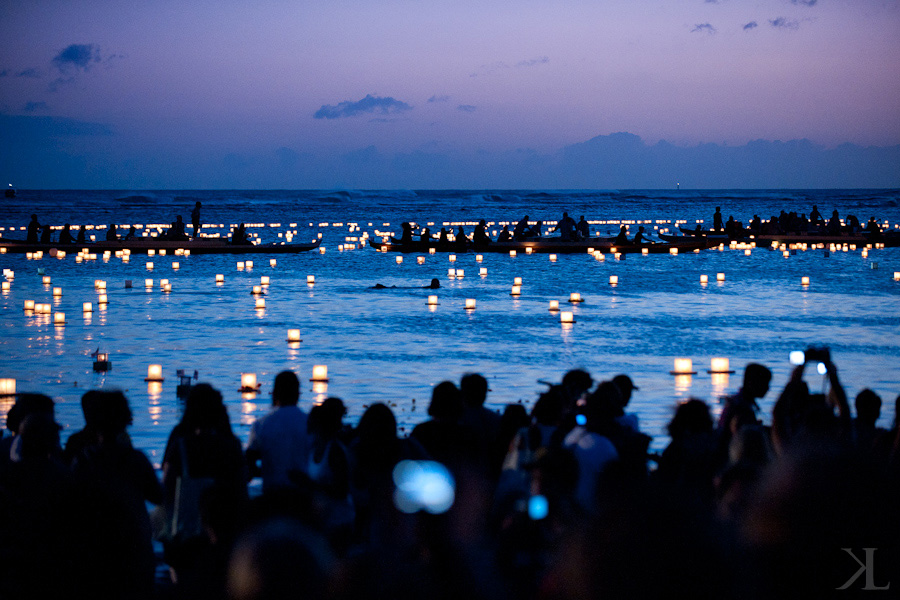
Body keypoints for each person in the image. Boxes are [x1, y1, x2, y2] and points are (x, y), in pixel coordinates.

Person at [246, 371, 310, 493]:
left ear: (274, 394)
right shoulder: (309, 424)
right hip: (303, 496)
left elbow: (249, 465)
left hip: (272, 495)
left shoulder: (261, 425)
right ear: (298, 394)